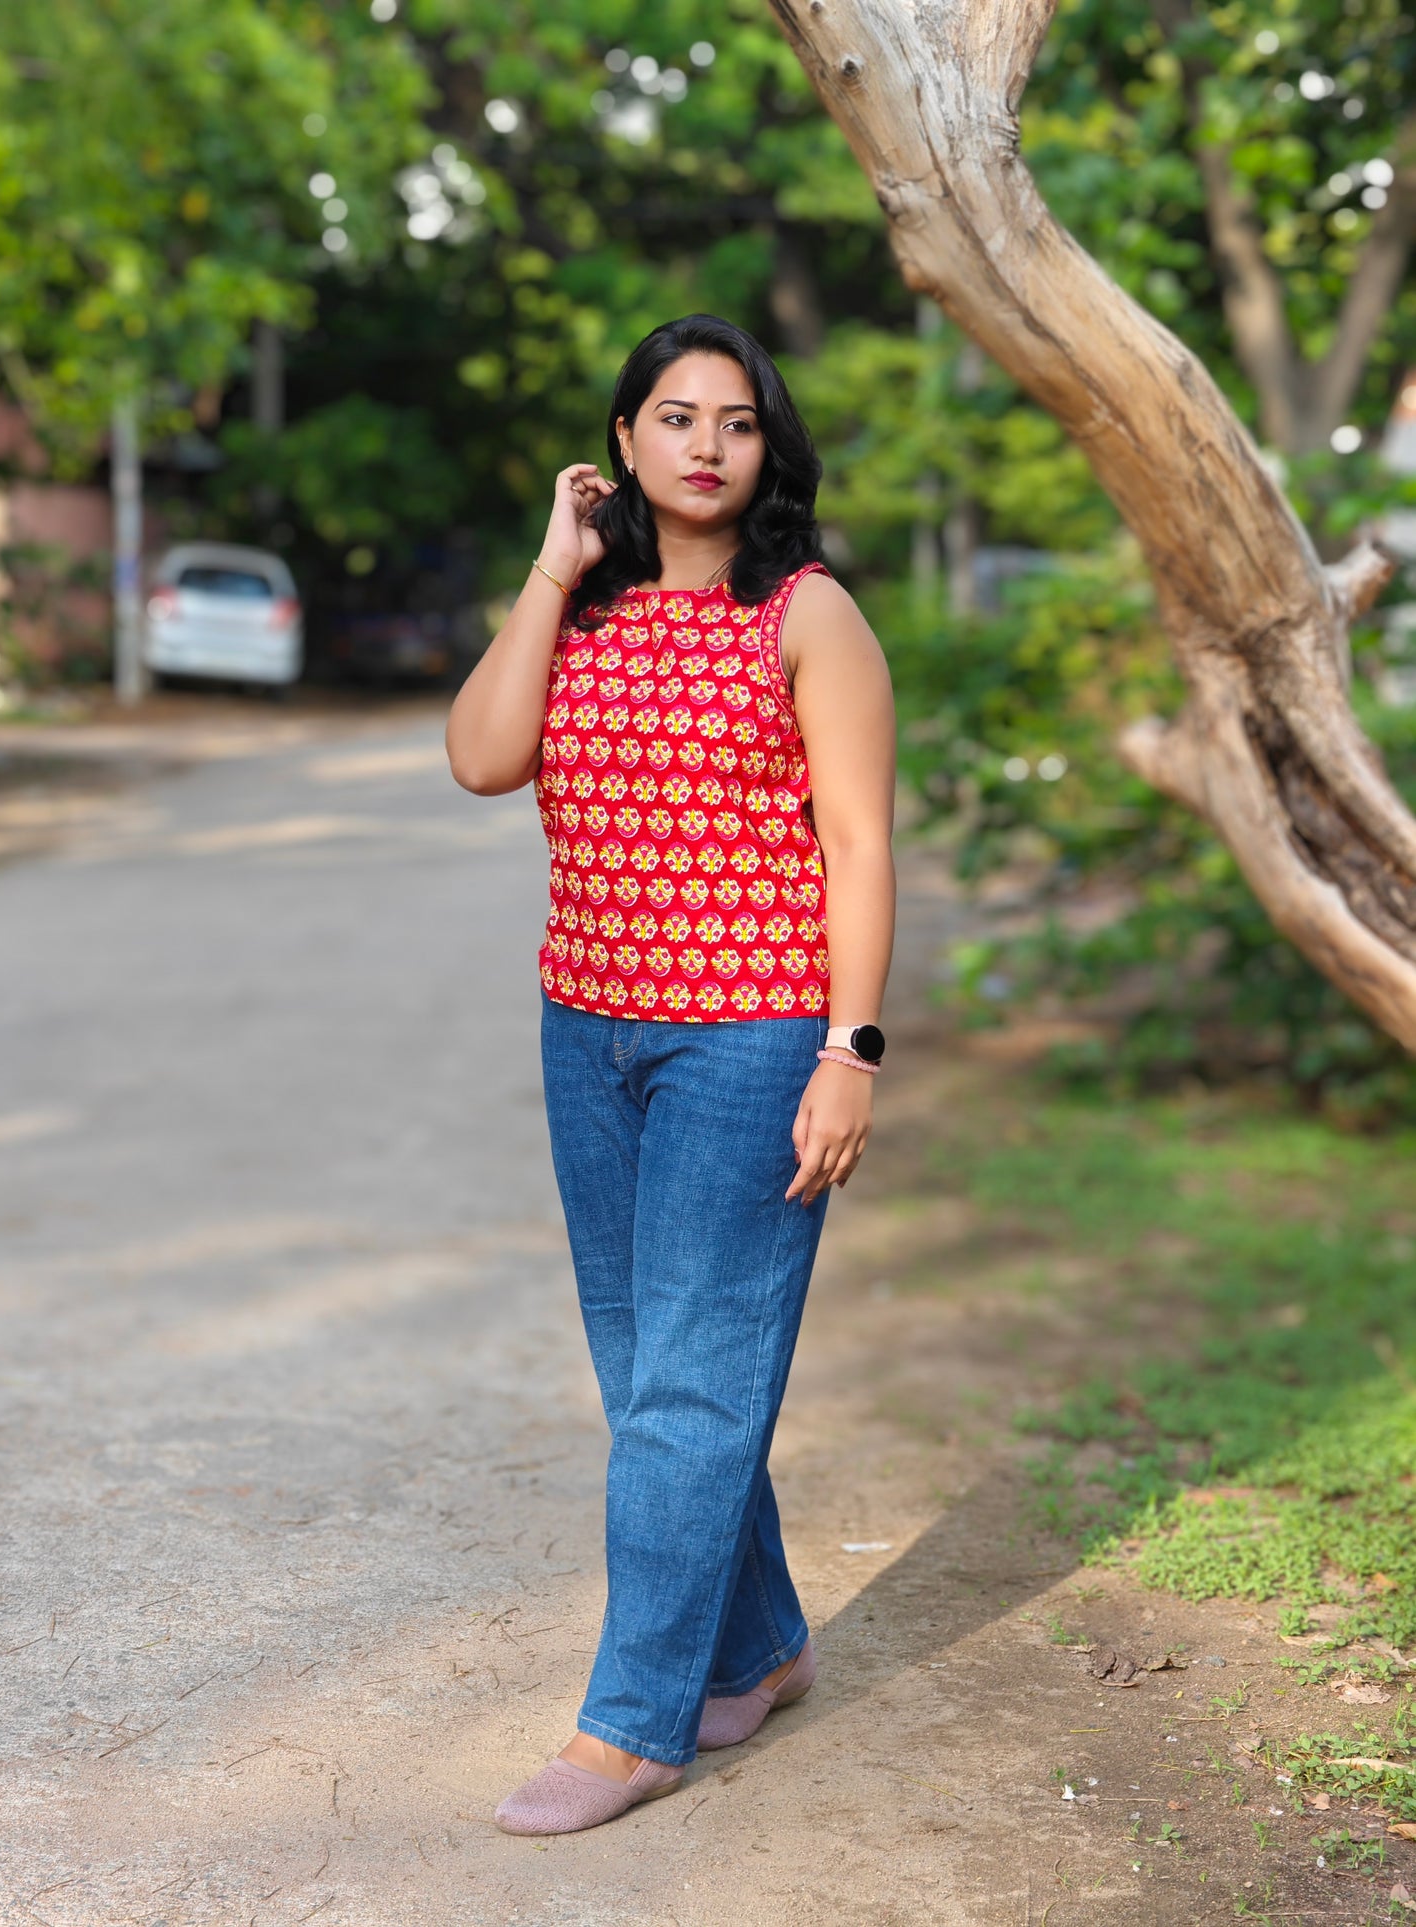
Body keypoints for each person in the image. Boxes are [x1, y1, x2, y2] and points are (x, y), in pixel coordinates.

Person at [445, 313, 896, 1837]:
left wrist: (850, 1050)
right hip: (589, 1028)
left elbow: (858, 845)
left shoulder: (807, 616)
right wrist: (553, 564)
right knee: (654, 1383)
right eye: (673, 416)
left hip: (753, 1036)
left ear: (769, 450)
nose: (706, 443)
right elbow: (480, 757)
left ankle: (630, 1726)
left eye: (738, 421)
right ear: (623, 444)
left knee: (691, 1387)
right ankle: (761, 1648)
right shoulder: (582, 610)